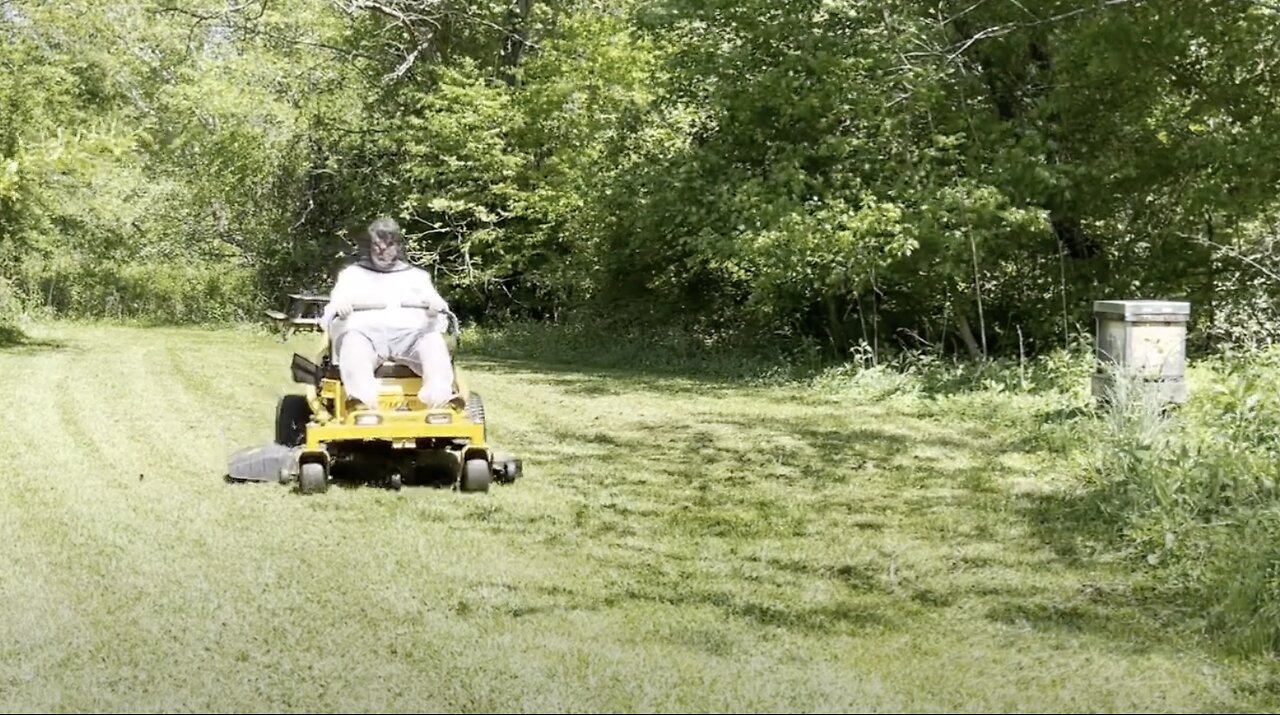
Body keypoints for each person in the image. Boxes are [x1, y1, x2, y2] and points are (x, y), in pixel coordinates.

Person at [320, 217, 456, 410]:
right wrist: (340, 307)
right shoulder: (352, 275)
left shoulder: (417, 277)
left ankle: (440, 399)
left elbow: (442, 319)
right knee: (352, 344)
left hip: (410, 338)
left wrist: (436, 308)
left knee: (434, 342)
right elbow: (328, 316)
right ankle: (362, 401)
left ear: (398, 246)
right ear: (369, 246)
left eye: (389, 245)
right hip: (366, 337)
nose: (383, 251)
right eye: (377, 245)